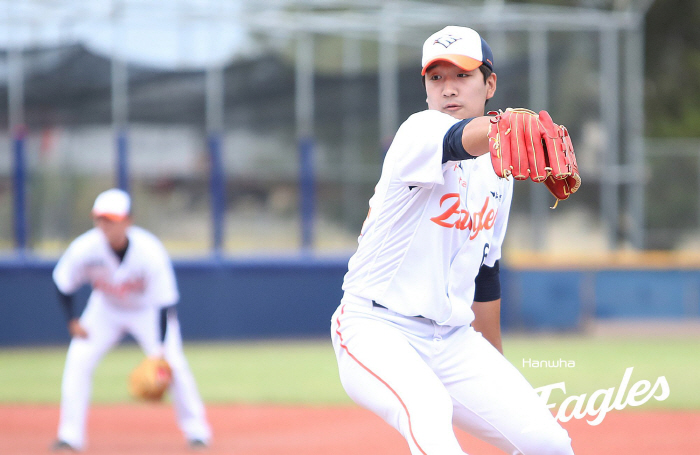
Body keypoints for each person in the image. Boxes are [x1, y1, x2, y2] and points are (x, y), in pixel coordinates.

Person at [330, 26, 575, 455]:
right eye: (436, 77)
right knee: (428, 410)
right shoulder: (418, 132)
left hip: (453, 339)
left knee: (547, 443)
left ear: (489, 83)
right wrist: (504, 127)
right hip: (376, 328)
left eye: (461, 75)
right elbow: (457, 142)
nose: (448, 88)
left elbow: (485, 274)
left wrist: (497, 369)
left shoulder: (500, 172)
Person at [51, 188, 212, 452]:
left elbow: (165, 302)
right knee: (78, 361)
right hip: (105, 309)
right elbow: (62, 282)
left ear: (128, 221)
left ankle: (198, 432)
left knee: (174, 365)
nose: (104, 226)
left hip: (147, 311)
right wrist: (72, 320)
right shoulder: (85, 247)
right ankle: (70, 436)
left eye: (111, 220)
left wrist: (159, 349)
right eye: (100, 219)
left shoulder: (150, 251)